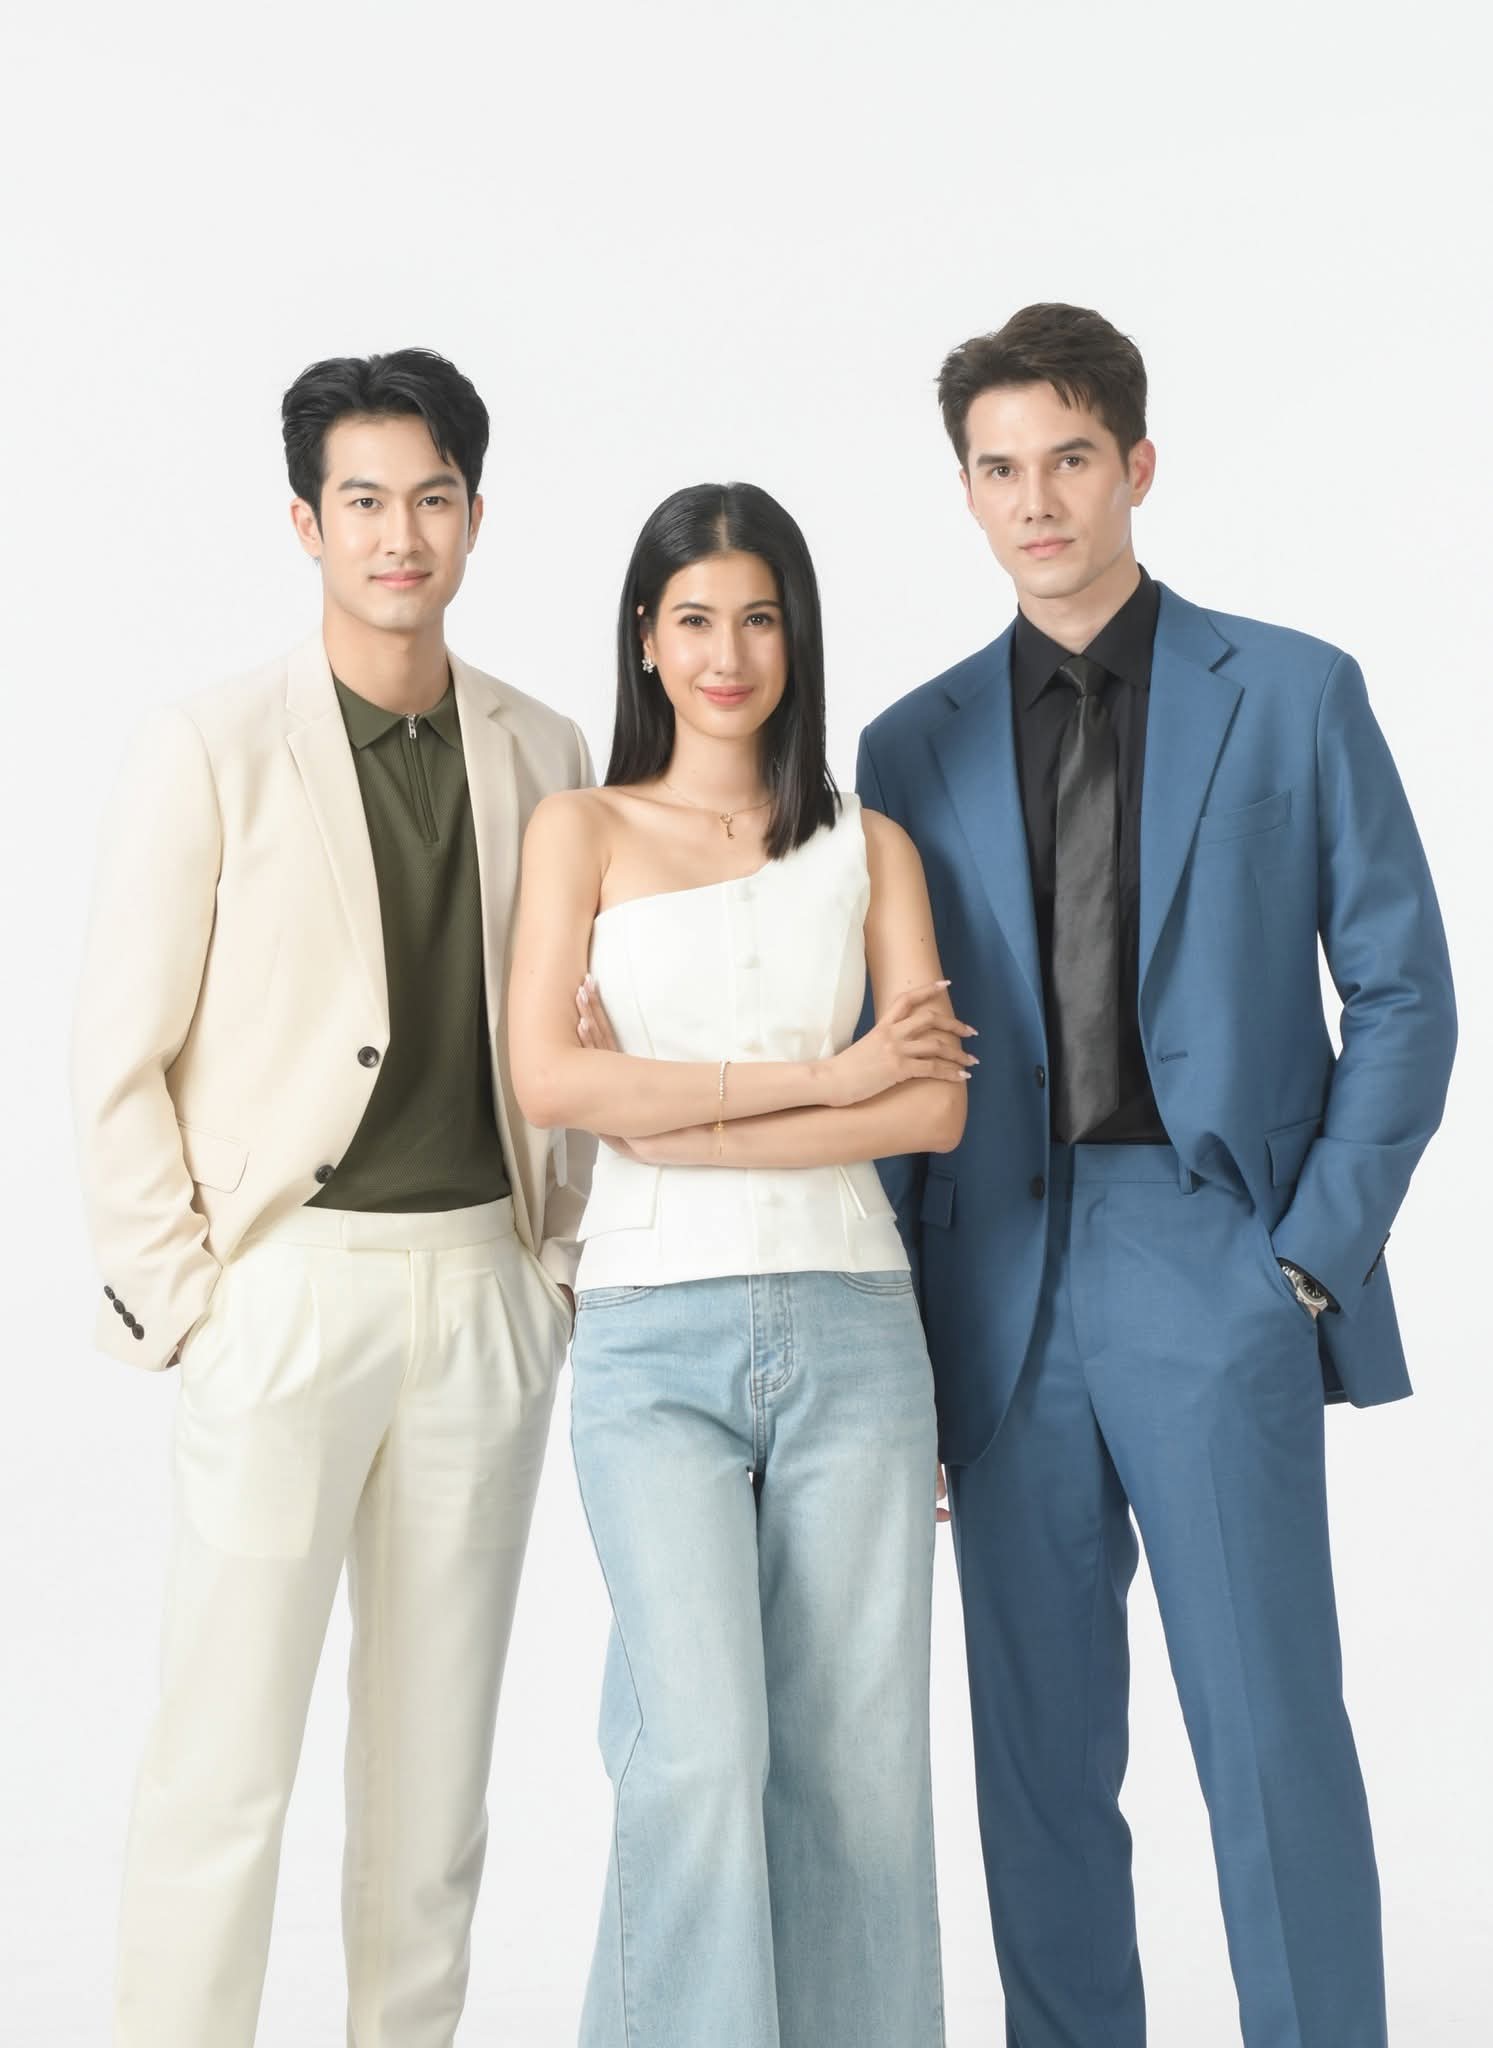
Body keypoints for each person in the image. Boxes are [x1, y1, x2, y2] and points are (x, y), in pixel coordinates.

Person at [856, 303, 1456, 2048]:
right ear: (965, 493)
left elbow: (1404, 992)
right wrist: (905, 1339)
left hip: (1213, 1259)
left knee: (1269, 1737)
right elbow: (894, 1045)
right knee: (1036, 1764)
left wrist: (1306, 1257)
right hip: (994, 1281)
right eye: (997, 469)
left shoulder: (1290, 690)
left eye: (1066, 459)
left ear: (1134, 463)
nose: (1034, 500)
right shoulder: (905, 746)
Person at [71, 347, 595, 2048]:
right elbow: (118, 1055)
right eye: (362, 501)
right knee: (221, 1765)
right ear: (305, 522)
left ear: (476, 517)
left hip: (483, 1293)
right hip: (284, 1293)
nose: (398, 536)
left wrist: (554, 1268)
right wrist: (190, 1306)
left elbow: (579, 1025)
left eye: (431, 499)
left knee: (433, 1790)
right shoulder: (210, 745)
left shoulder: (544, 746)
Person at [508, 481, 965, 2048]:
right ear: (645, 638)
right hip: (649, 1339)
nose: (727, 653)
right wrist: (828, 1083)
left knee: (856, 1769)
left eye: (758, 618)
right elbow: (552, 1082)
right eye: (694, 618)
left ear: (796, 637)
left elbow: (934, 1106)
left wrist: (680, 1117)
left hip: (854, 1328)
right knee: (699, 1754)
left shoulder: (870, 847)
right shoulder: (578, 831)